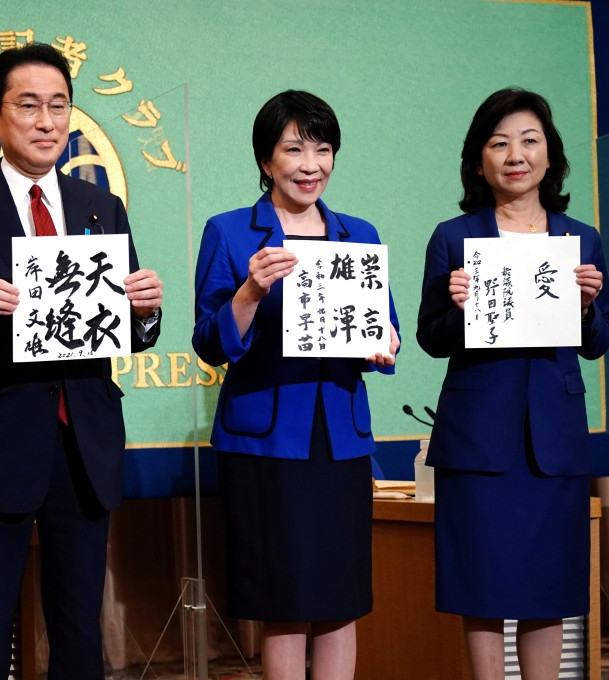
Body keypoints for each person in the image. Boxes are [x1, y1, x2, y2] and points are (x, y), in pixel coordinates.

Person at [0, 43, 163, 680]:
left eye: (59, 106)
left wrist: (146, 310)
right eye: (28, 106)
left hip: (82, 444)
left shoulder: (102, 207)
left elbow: (130, 328)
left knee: (78, 629)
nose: (47, 122)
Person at [192, 90, 399, 680]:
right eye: (294, 149)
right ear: (266, 160)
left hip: (340, 436)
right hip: (264, 440)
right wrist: (250, 292)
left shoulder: (358, 234)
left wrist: (386, 342)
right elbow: (209, 342)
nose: (311, 165)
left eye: (323, 149)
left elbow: (386, 328)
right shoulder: (232, 233)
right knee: (282, 602)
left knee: (341, 601)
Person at [417, 87, 609, 680]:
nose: (515, 154)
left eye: (530, 141)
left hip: (552, 439)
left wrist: (583, 306)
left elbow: (597, 342)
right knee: (480, 586)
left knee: (547, 587)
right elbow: (429, 336)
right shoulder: (454, 237)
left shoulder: (580, 239)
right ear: (479, 161)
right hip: (478, 438)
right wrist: (456, 309)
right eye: (498, 143)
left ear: (551, 156)